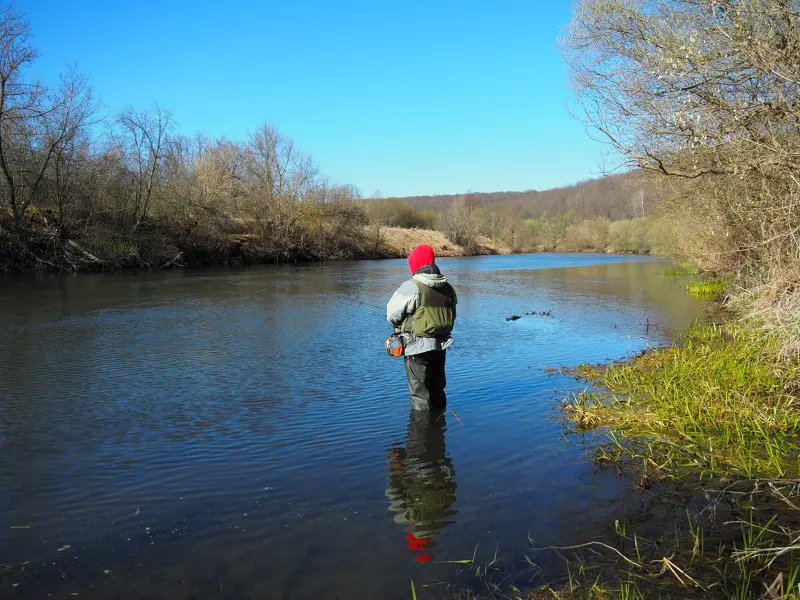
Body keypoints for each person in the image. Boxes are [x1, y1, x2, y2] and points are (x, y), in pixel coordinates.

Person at [386, 244, 457, 411]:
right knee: (437, 390)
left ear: (416, 265)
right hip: (441, 346)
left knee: (420, 396)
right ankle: (439, 428)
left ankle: (422, 433)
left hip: (416, 349)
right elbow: (453, 314)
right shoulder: (448, 287)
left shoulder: (411, 286)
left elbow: (391, 315)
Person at [385, 410, 457, 563]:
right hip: (418, 465)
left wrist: (445, 463)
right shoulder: (403, 517)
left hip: (438, 461)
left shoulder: (445, 515)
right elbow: (394, 487)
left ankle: (426, 411)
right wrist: (394, 464)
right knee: (419, 426)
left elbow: (452, 484)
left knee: (431, 427)